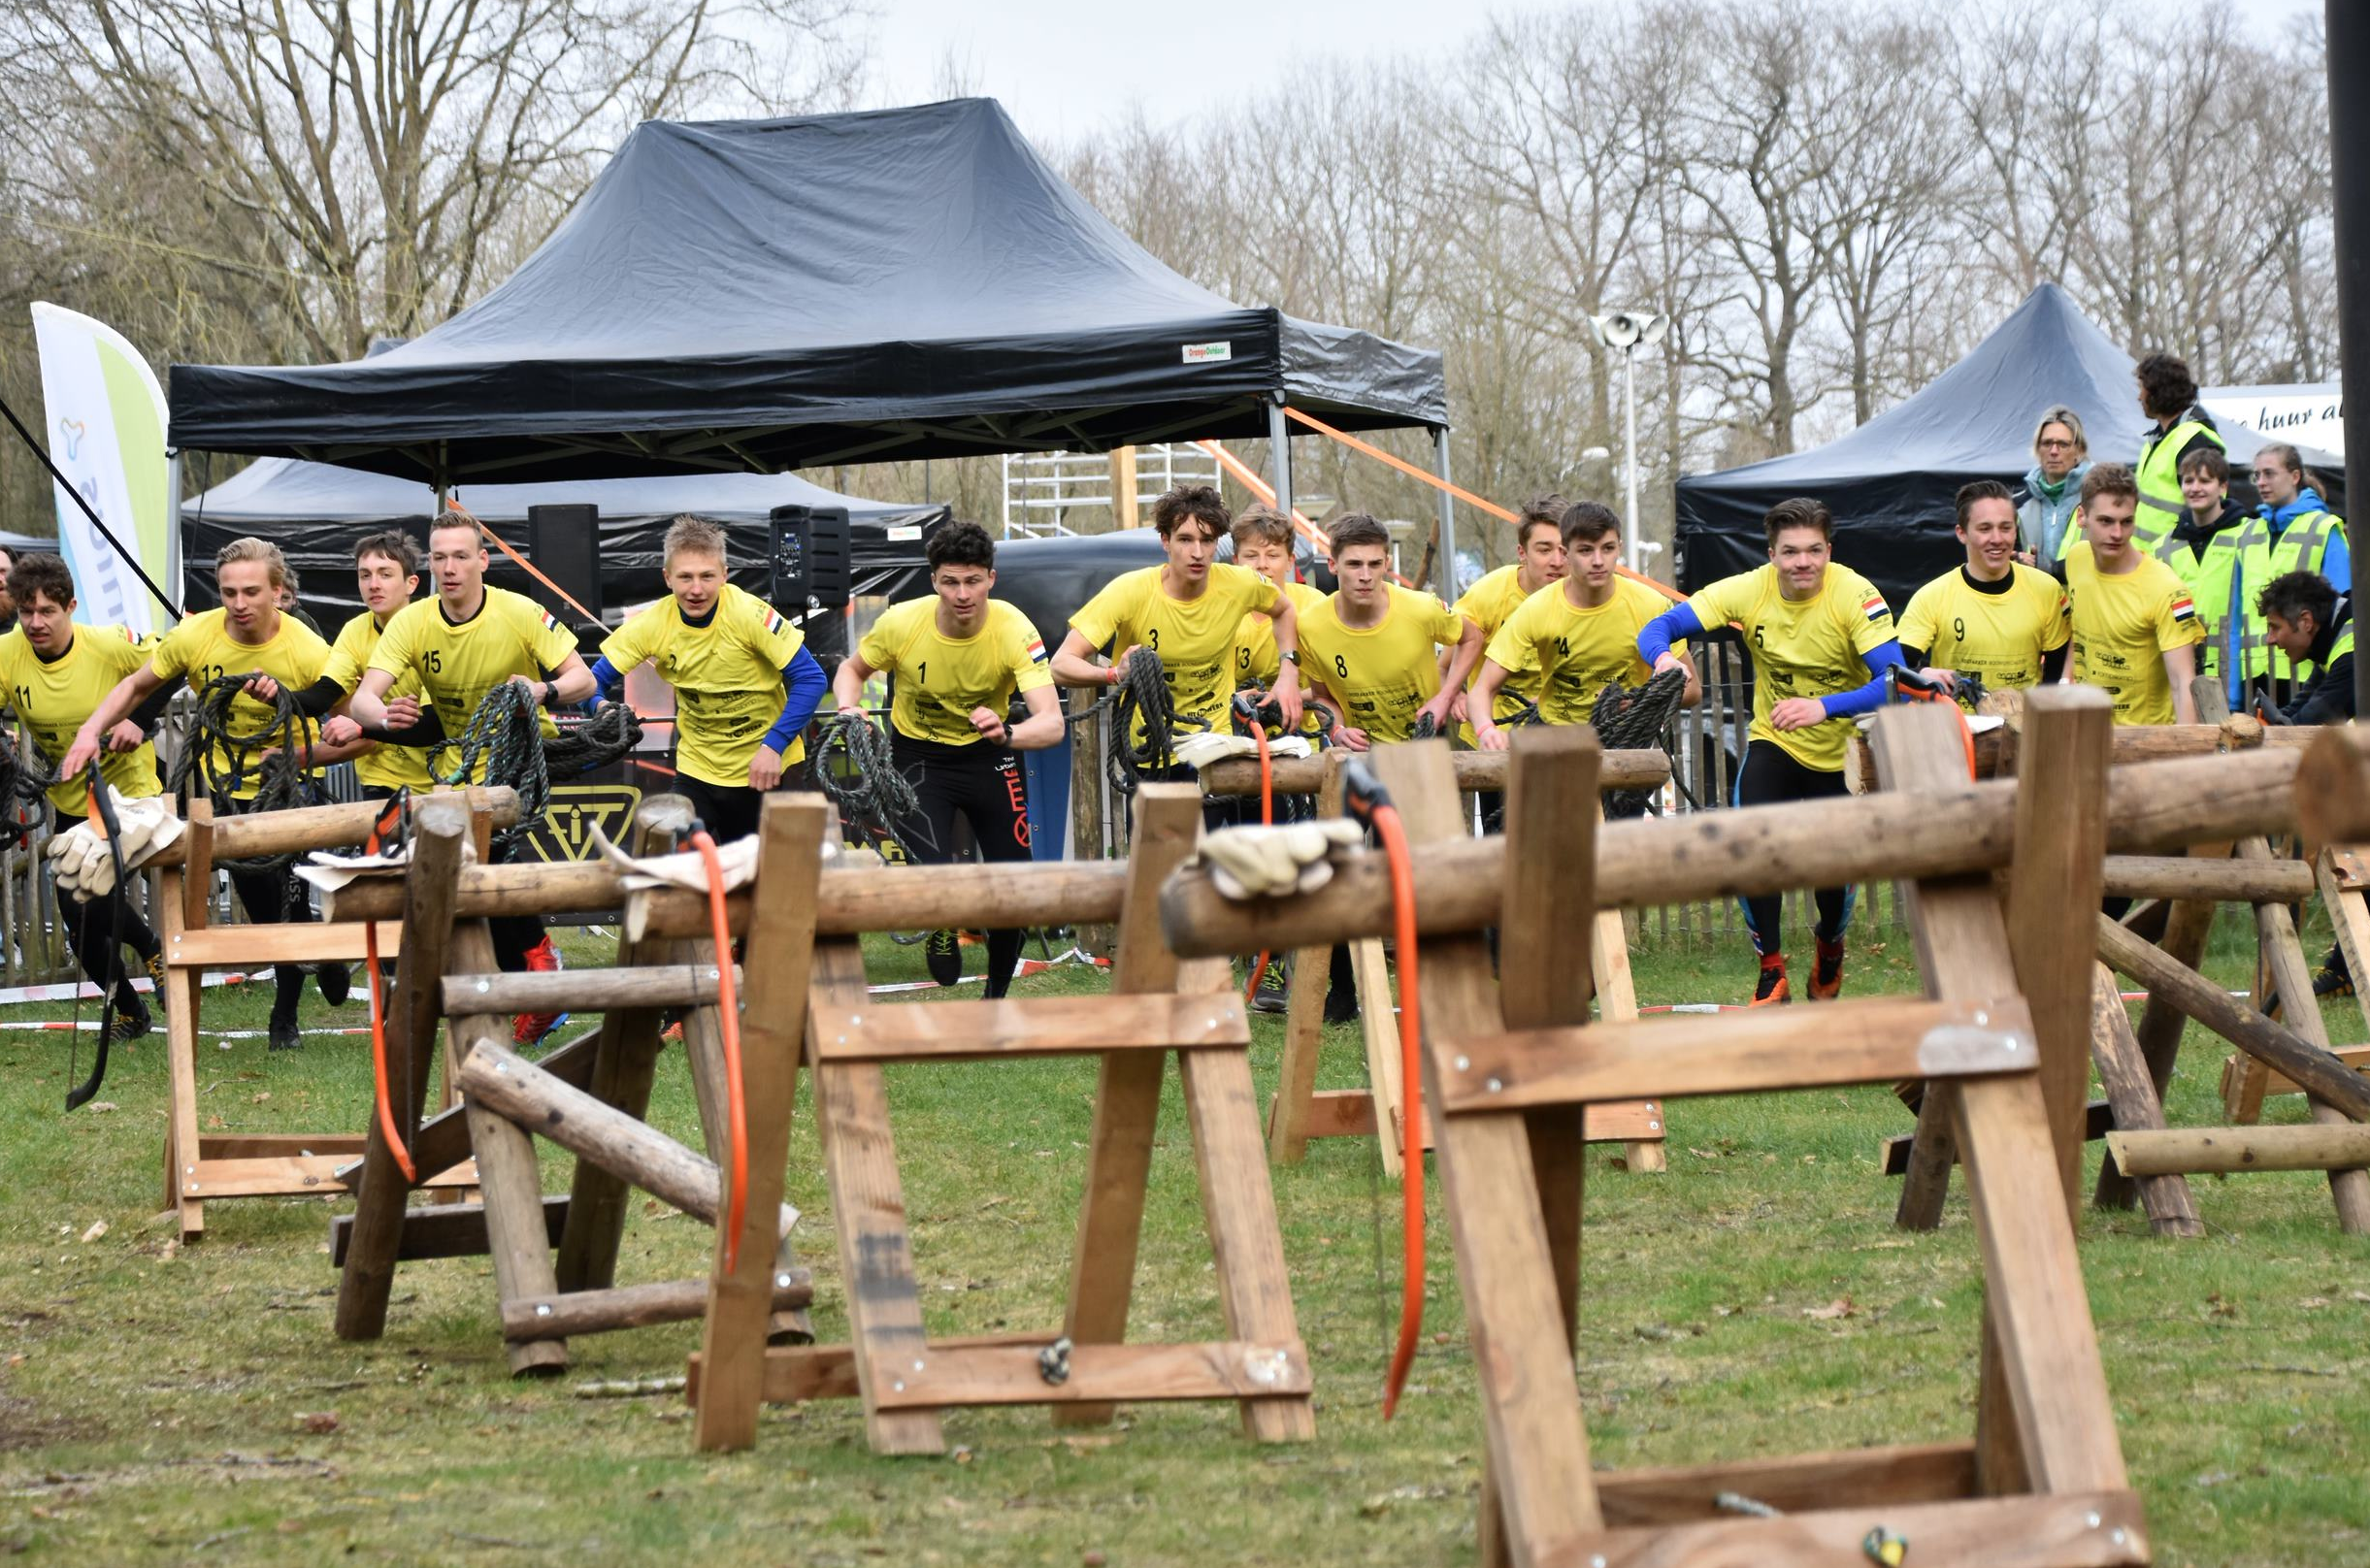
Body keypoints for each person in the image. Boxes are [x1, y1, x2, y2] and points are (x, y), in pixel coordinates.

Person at [62, 538, 342, 1052]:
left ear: (278, 592)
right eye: (229, 591)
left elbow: (351, 717)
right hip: (228, 792)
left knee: (293, 904)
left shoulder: (307, 648)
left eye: (252, 592)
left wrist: (314, 751)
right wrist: (93, 729)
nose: (239, 603)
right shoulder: (195, 634)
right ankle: (315, 957)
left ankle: (287, 1013)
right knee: (262, 909)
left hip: (291, 790)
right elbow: (138, 686)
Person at [1636, 498, 1903, 1006]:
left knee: (1832, 872)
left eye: (1814, 551)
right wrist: (1664, 660)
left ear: (1829, 549)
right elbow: (1658, 628)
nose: (1803, 563)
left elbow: (1892, 681)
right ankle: (1771, 970)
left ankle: (1829, 945)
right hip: (1774, 742)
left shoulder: (1855, 594)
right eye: (1790, 553)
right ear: (1771, 554)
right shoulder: (1748, 588)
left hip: (1841, 754)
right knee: (1751, 844)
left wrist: (1824, 706)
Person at [344, 512, 597, 1043]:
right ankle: (527, 978)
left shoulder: (520, 611)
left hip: (522, 755)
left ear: (483, 560)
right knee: (465, 876)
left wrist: (541, 690)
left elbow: (583, 678)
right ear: (429, 565)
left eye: (461, 556)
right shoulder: (413, 622)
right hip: (461, 764)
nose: (450, 568)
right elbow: (366, 697)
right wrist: (382, 716)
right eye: (440, 558)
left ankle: (537, 966)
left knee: (489, 858)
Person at [832, 522, 1063, 996]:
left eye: (973, 581)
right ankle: (942, 923)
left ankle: (996, 995)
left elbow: (1052, 723)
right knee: (933, 871)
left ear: (991, 580)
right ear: (934, 580)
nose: (963, 594)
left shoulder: (1014, 629)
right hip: (921, 758)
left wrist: (1008, 732)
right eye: (951, 582)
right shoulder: (901, 623)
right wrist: (849, 709)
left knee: (1014, 883)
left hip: (990, 757)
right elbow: (850, 671)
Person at [1052, 484, 1302, 814]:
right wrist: (1114, 674)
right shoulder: (1131, 591)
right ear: (1165, 541)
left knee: (1224, 856)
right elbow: (1061, 664)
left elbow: (1284, 610)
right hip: (1153, 750)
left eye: (1207, 540)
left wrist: (1288, 674)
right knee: (1161, 863)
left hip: (1215, 745)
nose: (1197, 552)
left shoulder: (1240, 584)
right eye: (1185, 540)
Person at [0, 554, 165, 1039]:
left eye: (48, 611)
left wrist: (139, 719)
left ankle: (153, 950)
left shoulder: (110, 644)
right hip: (74, 799)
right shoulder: (8, 652)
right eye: (26, 610)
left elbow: (175, 665)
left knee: (80, 901)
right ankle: (133, 1007)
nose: (35, 622)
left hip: (130, 794)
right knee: (81, 925)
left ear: (71, 606)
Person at [591, 515, 827, 845]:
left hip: (765, 768)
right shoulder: (652, 623)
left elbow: (811, 678)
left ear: (725, 575)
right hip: (697, 772)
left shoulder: (749, 613)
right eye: (685, 577)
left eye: (707, 576)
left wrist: (774, 746)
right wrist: (601, 707)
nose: (697, 589)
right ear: (667, 578)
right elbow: (592, 682)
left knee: (765, 881)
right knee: (668, 858)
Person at [1470, 502, 1698, 745]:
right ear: (1566, 553)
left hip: (1626, 742)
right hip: (1556, 739)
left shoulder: (1650, 605)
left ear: (1619, 549)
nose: (1598, 561)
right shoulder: (1537, 609)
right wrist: (1486, 730)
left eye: (1608, 548)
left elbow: (1693, 692)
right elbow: (1482, 689)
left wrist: (1638, 702)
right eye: (1586, 551)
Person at [1299, 513, 1481, 748]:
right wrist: (1336, 730)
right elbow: (1322, 697)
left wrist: (1446, 696)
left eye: (1374, 564)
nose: (1365, 576)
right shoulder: (1310, 626)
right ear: (1333, 565)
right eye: (1354, 564)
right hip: (1363, 752)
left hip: (1429, 739)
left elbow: (1472, 637)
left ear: (1386, 563)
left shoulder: (1422, 608)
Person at [1896, 480, 2071, 702]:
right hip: (1957, 730)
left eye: (2005, 527)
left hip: (2023, 729)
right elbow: (1896, 666)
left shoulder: (2046, 589)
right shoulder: (1932, 596)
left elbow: (2056, 671)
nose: (1997, 539)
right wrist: (1922, 673)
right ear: (1962, 533)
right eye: (1985, 528)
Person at [2062, 464, 2203, 727]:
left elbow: (2183, 682)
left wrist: (2186, 755)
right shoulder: (2077, 558)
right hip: (2086, 732)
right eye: (2106, 521)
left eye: (2126, 522)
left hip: (2145, 744)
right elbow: (2079, 629)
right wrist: (2063, 683)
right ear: (2082, 517)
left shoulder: (2166, 589)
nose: (2117, 534)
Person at [1448, 494, 1567, 740]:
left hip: (1557, 737)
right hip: (1491, 736)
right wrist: (1455, 696)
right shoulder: (1488, 595)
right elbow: (1441, 665)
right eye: (1544, 550)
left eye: (1564, 550)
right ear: (1522, 553)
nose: (1557, 562)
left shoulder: (1585, 599)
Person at [2238, 443, 2351, 695]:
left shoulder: (2323, 528)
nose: (2261, 482)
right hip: (2255, 675)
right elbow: (2237, 616)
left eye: (2269, 473)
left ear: (2295, 476)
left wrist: (2335, 680)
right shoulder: (2248, 533)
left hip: (2308, 674)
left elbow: (2342, 615)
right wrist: (2235, 690)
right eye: (2256, 475)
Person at [2157, 448, 2251, 702]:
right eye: (2188, 481)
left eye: (2205, 480)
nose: (2195, 488)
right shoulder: (2162, 546)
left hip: (2237, 670)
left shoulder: (2249, 536)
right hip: (2179, 669)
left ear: (2223, 487)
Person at [2132, 352, 2226, 555]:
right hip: (2149, 564)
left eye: (2142, 389)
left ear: (2157, 390)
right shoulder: (2157, 439)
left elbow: (2210, 512)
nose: (2139, 396)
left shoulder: (2194, 438)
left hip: (2179, 565)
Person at [2257, 571, 2354, 728]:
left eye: (2275, 627)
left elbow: (2307, 723)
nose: (2270, 640)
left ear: (2306, 621)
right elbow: (2298, 708)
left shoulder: (2351, 650)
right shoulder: (2333, 637)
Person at [2019, 407, 2092, 565]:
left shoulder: (2099, 497)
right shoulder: (2019, 504)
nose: (2053, 451)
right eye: (2046, 443)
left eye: (2063, 444)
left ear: (2079, 450)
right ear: (2037, 449)